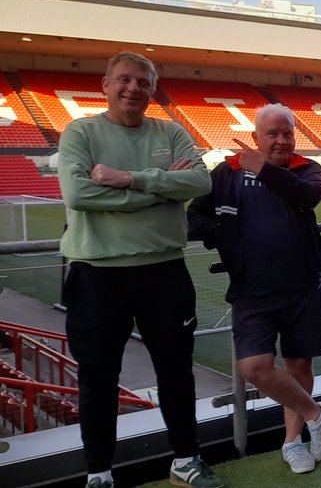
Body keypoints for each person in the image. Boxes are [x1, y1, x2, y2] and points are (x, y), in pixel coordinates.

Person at [58, 52, 224, 488]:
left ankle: (186, 461)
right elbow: (79, 194)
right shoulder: (80, 131)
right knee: (98, 377)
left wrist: (128, 179)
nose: (133, 89)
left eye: (143, 83)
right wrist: (159, 187)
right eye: (124, 80)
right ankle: (99, 473)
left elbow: (200, 183)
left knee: (175, 372)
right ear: (105, 84)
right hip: (97, 273)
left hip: (163, 272)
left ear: (153, 89)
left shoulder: (171, 131)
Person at [187, 104, 321, 475]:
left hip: (302, 285)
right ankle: (317, 414)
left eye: (288, 133)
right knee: (253, 366)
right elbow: (196, 215)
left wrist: (264, 169)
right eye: (273, 134)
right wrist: (221, 236)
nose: (283, 140)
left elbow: (308, 196)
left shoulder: (307, 169)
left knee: (299, 363)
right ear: (256, 138)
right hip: (251, 290)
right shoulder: (227, 172)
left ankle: (292, 442)